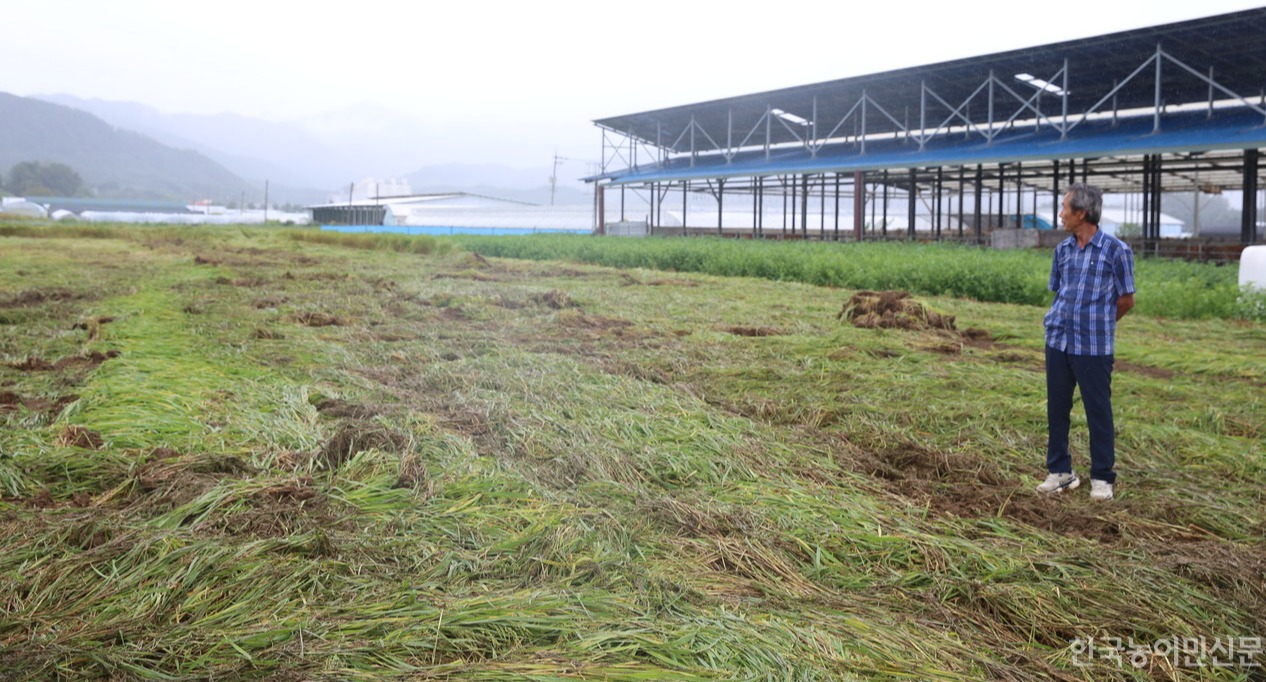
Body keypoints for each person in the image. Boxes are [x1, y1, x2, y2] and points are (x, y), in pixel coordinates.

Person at [1036, 183, 1135, 501]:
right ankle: (1060, 472)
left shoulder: (1116, 251)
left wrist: (1100, 323)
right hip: (1059, 340)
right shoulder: (1062, 251)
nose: (1060, 214)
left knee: (1098, 410)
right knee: (1057, 407)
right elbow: (1059, 292)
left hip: (1093, 346)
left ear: (1081, 213)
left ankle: (1102, 477)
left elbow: (1126, 299)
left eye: (1065, 208)